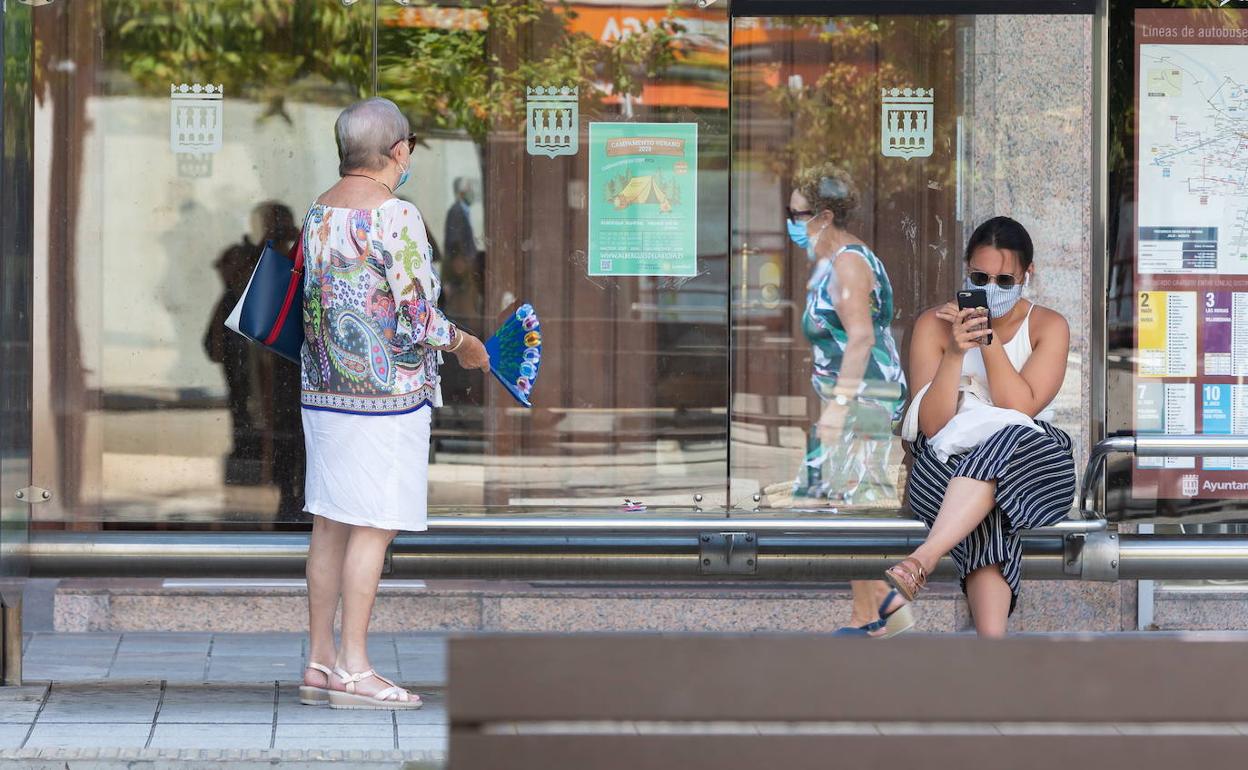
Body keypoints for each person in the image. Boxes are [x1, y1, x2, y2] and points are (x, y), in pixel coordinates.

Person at [298, 98, 490, 709]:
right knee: (373, 529)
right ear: (398, 150)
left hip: (324, 393)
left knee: (330, 523)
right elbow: (415, 314)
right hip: (386, 400)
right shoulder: (396, 216)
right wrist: (465, 345)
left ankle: (320, 662)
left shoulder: (318, 211)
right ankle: (356, 668)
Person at [887, 216, 1076, 638]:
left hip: (1030, 461)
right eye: (980, 276)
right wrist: (955, 353)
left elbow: (1020, 408)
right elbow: (933, 428)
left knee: (1002, 444)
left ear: (1028, 274)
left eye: (1005, 279)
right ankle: (992, 653)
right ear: (965, 271)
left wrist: (986, 339)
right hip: (945, 461)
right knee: (986, 502)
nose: (991, 287)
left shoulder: (1049, 326)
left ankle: (924, 557)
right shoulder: (933, 325)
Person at [786, 164, 913, 638]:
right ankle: (874, 612)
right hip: (857, 396)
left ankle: (879, 607)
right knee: (839, 503)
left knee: (841, 504)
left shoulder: (847, 263)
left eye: (795, 213)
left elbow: (860, 338)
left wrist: (837, 407)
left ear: (822, 215)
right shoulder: (838, 260)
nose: (792, 223)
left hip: (863, 400)